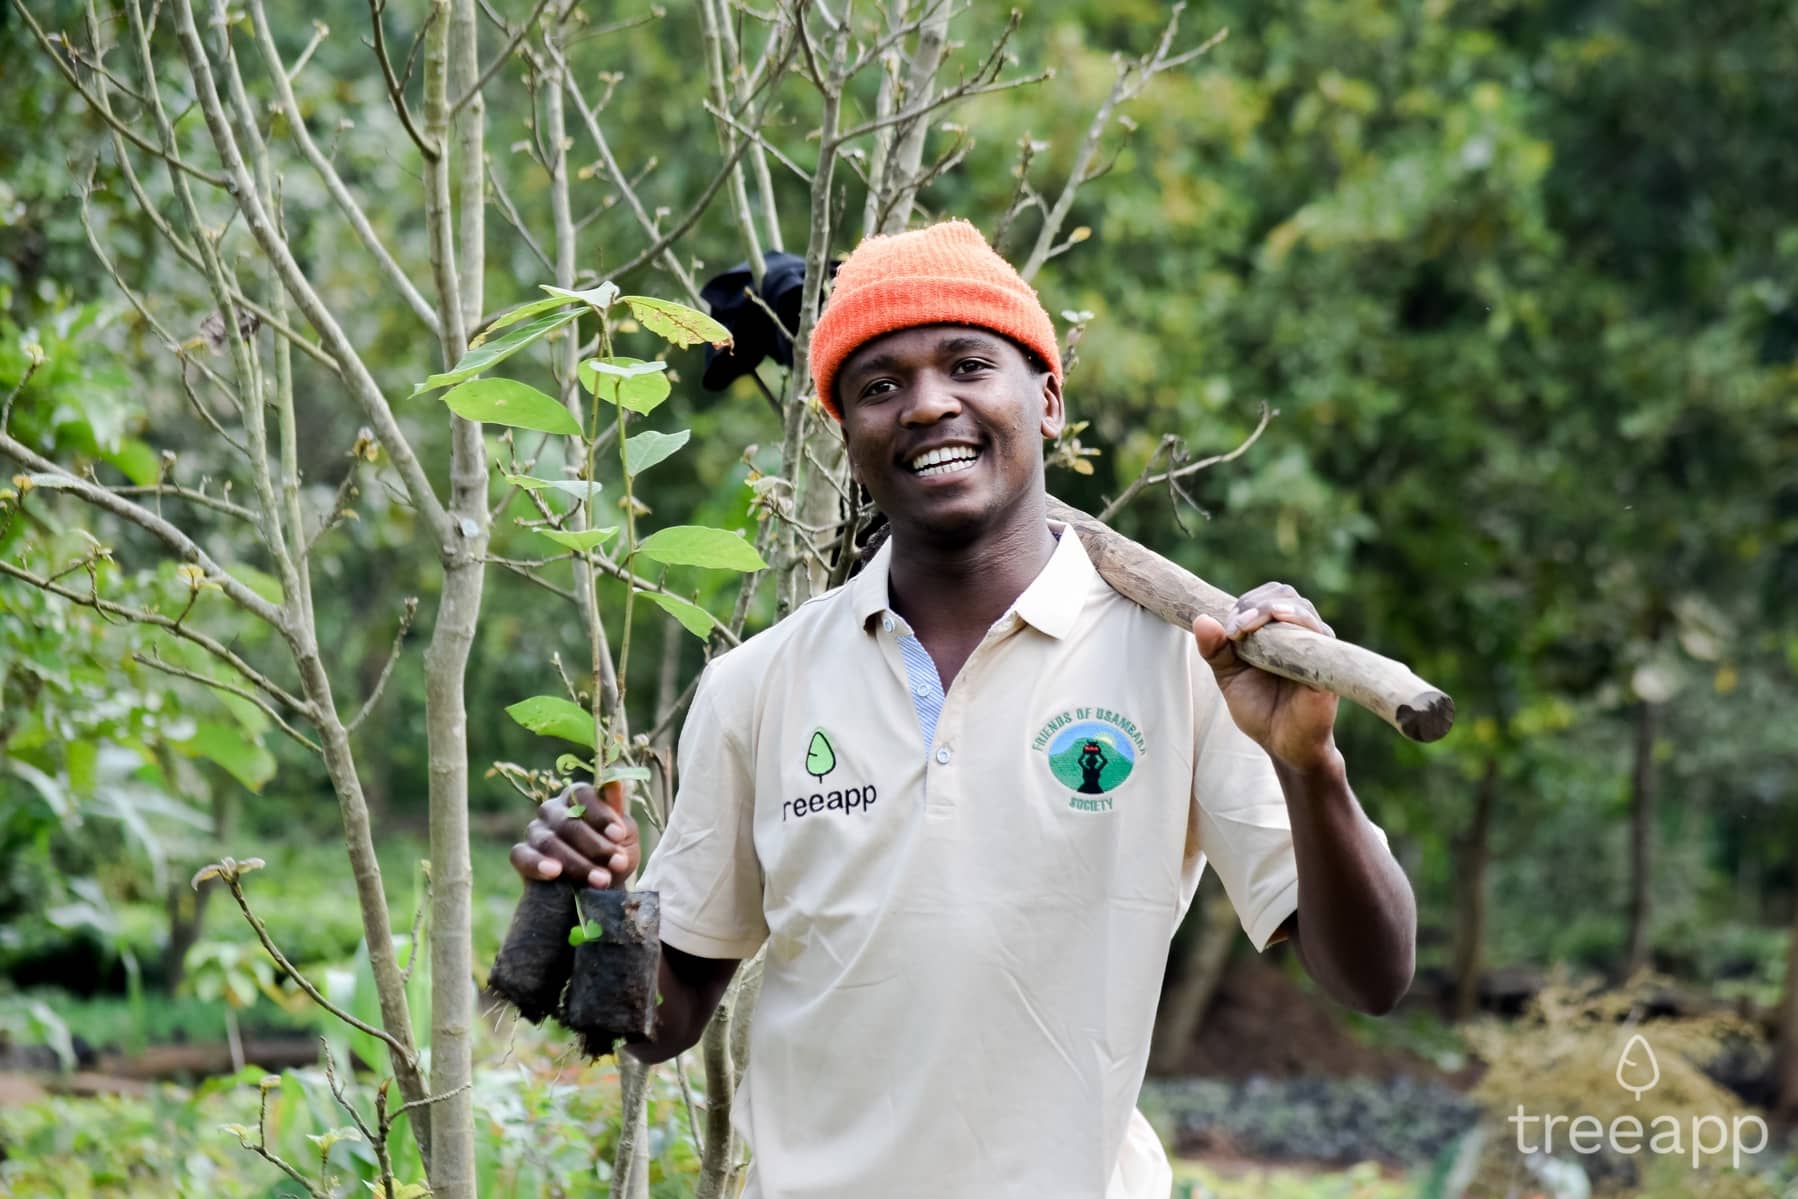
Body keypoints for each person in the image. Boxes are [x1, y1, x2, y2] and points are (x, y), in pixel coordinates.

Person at [509, 220, 1417, 1198]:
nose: (928, 404)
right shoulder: (757, 687)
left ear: (1050, 400)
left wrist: (1308, 763)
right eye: (879, 385)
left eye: (968, 364)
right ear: (844, 432)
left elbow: (1372, 975)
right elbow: (667, 1014)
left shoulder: (1185, 666)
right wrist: (595, 904)